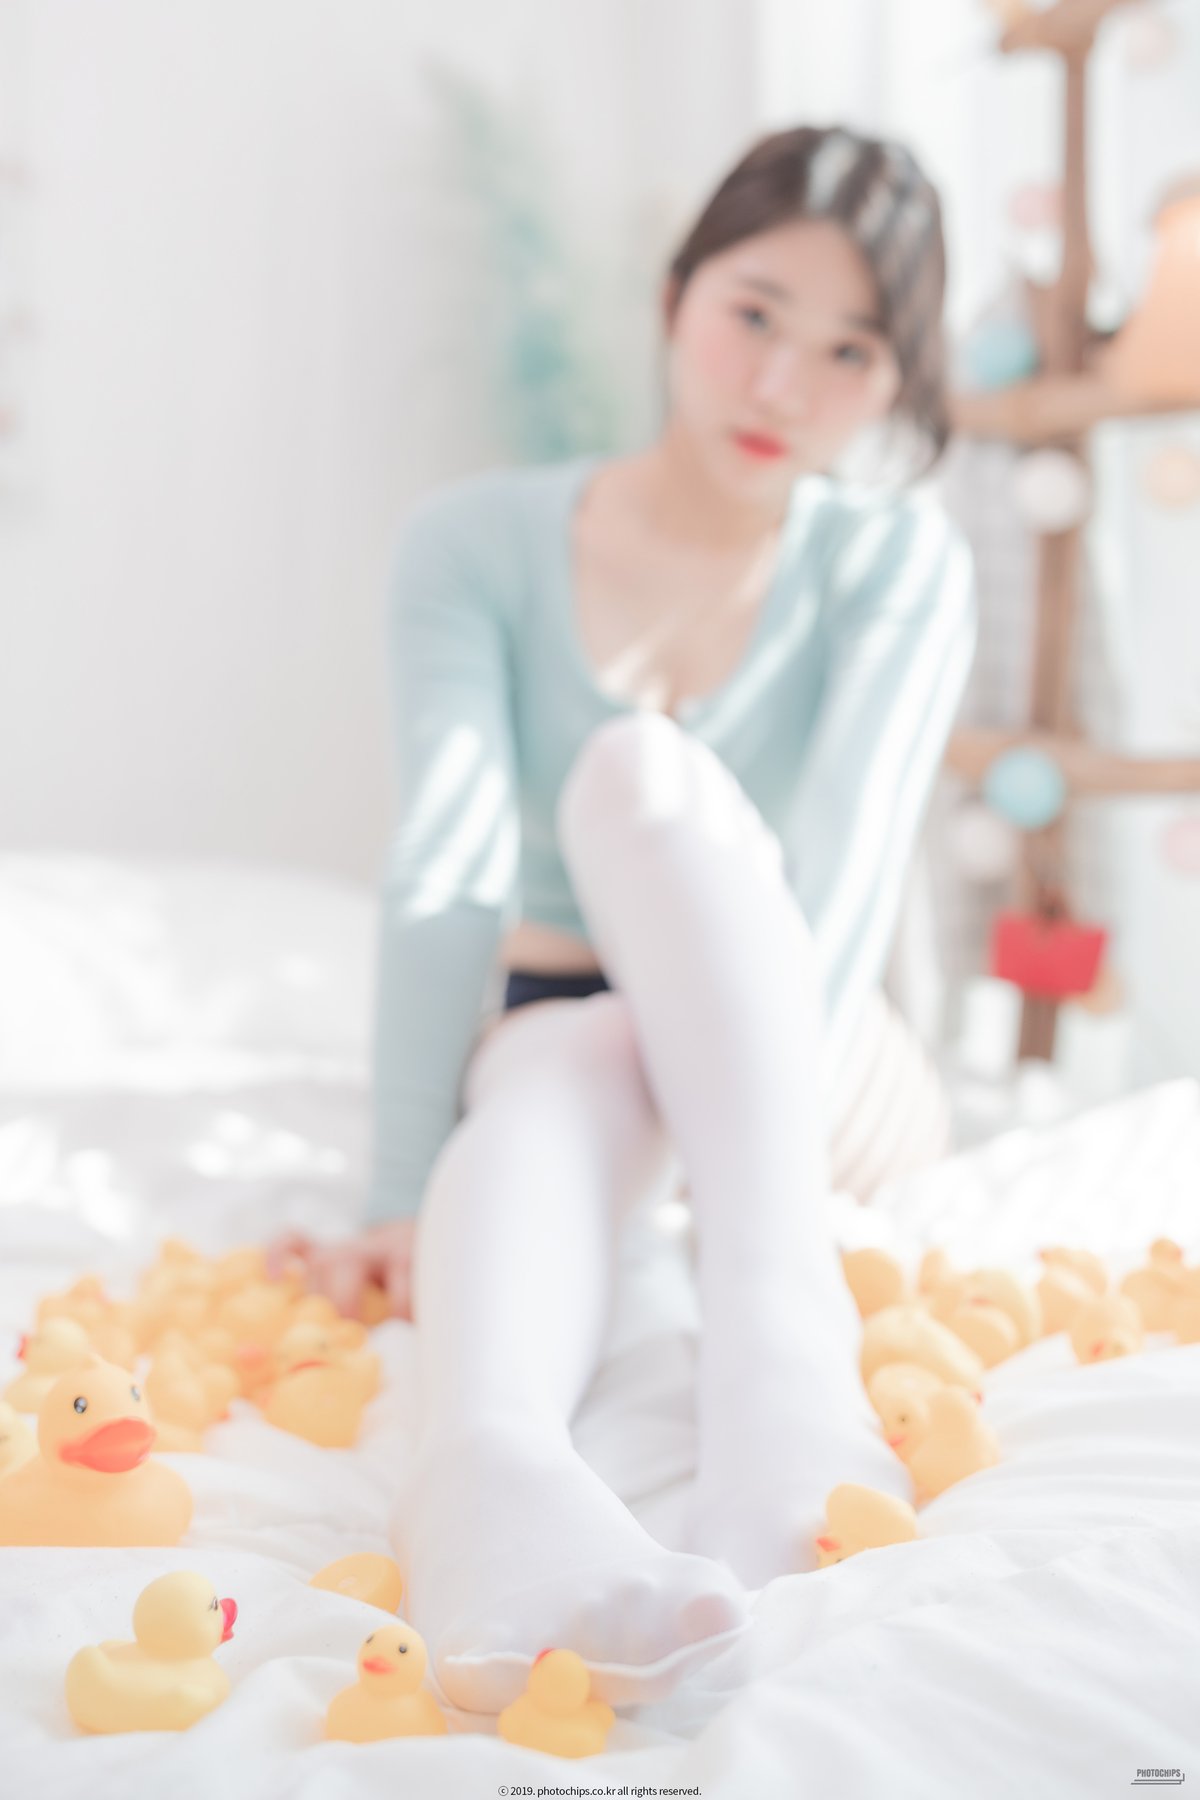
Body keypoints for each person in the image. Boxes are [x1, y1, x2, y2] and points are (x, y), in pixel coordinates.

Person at [266, 123, 978, 1711]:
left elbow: (843, 879)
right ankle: (490, 1466)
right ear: (674, 299)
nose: (783, 383)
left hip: (806, 1036)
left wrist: (743, 1136)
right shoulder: (478, 541)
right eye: (755, 316)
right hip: (560, 1026)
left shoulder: (896, 563)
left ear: (896, 385)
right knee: (571, 1049)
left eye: (852, 351)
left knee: (638, 778)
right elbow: (449, 861)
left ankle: (778, 1338)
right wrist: (399, 1188)